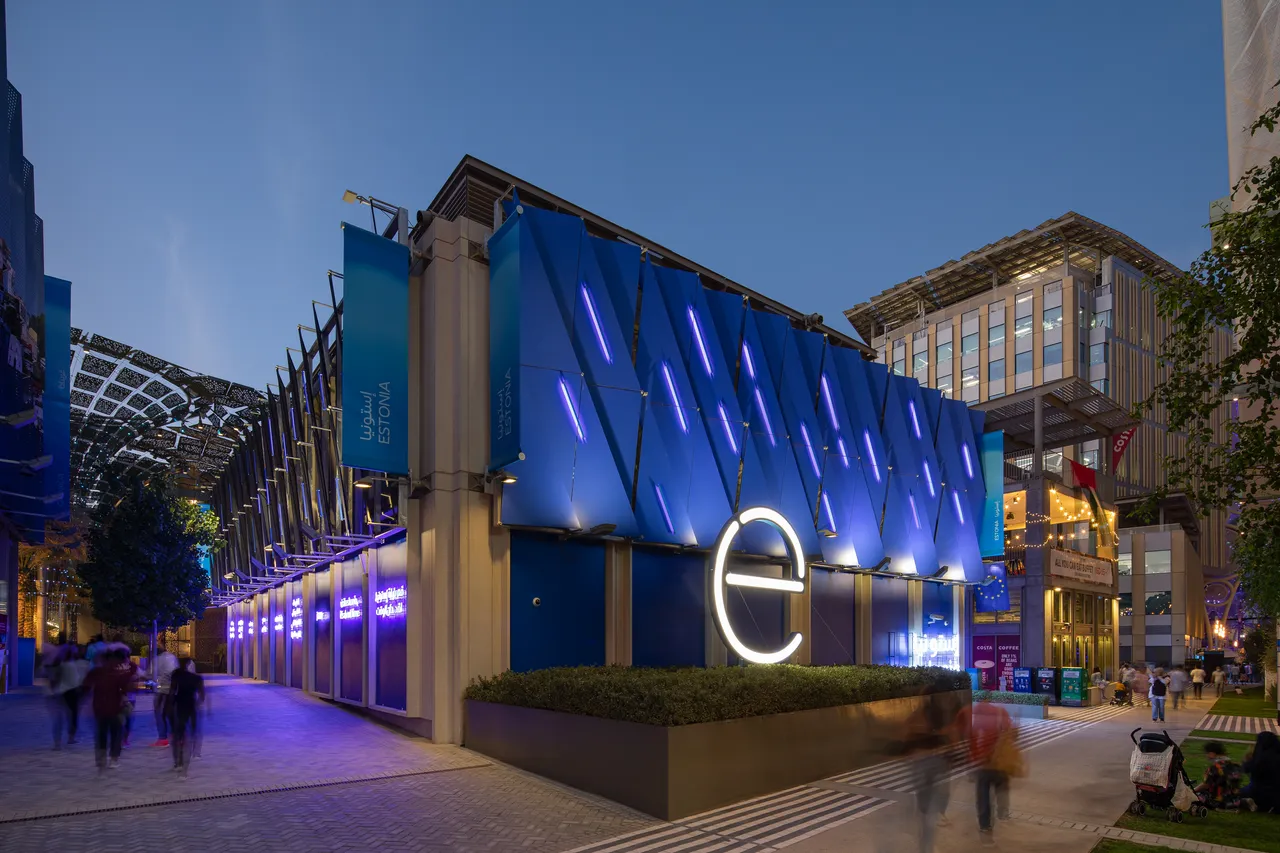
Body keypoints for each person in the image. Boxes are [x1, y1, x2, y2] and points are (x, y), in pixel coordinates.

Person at [962, 698, 1016, 844]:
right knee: (1002, 788)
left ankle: (985, 826)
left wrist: (972, 761)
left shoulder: (972, 717)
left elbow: (969, 740)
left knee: (983, 796)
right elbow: (1012, 734)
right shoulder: (1000, 712)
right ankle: (1003, 814)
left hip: (982, 764)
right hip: (999, 761)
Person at [82, 649, 135, 771]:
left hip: (99, 708)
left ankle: (101, 758)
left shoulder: (96, 672)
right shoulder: (117, 673)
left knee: (101, 733)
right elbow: (126, 688)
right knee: (116, 733)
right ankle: (113, 758)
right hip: (115, 708)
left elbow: (85, 687)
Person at [169, 657, 204, 777]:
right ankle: (190, 756)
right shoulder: (196, 678)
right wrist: (198, 705)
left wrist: (169, 706)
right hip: (191, 706)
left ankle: (178, 762)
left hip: (179, 706)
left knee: (178, 735)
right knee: (190, 734)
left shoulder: (176, 675)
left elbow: (171, 692)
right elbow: (202, 696)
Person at [1197, 742, 1244, 810]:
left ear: (1212, 753)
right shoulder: (1233, 765)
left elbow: (1206, 785)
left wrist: (1192, 791)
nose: (1206, 756)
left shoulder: (1214, 768)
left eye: (1207, 753)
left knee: (1196, 796)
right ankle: (1241, 802)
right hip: (1234, 800)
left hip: (1219, 801)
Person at [1242, 731, 1280, 813]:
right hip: (1277, 794)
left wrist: (1247, 760)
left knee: (1234, 795)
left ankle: (1251, 802)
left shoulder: (1260, 758)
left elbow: (1246, 769)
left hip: (1259, 791)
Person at [150, 643, 179, 747]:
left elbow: (150, 674)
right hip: (172, 691)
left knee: (159, 713)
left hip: (161, 691)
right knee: (172, 714)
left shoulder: (156, 660)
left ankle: (162, 737)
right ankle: (175, 735)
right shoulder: (172, 657)